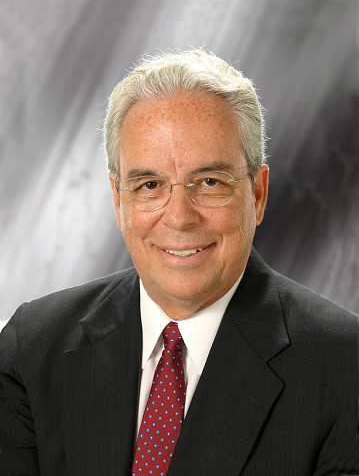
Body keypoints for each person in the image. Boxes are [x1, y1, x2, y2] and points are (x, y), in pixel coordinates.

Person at [0, 50, 357, 476]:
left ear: (257, 194)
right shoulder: (32, 348)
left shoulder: (343, 366)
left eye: (209, 182)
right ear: (118, 200)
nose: (180, 216)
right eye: (149, 185)